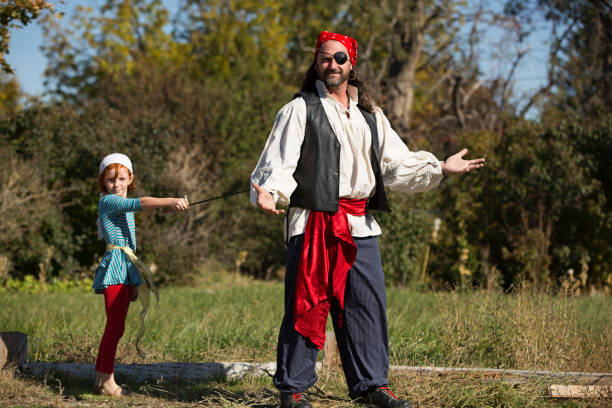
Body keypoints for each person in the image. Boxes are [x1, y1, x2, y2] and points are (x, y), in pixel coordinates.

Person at [250, 31, 485, 408]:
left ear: (351, 64)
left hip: (359, 224)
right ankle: (292, 389)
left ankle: (372, 386)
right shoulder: (299, 109)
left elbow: (395, 165)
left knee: (366, 305)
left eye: (339, 58)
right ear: (316, 63)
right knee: (306, 303)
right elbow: (278, 164)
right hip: (312, 223)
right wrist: (268, 192)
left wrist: (439, 167)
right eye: (325, 58)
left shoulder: (371, 116)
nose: (332, 65)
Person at [93, 153, 189, 396]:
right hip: (115, 266)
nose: (116, 184)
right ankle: (106, 382)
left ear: (130, 179)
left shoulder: (121, 203)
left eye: (121, 179)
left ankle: (102, 378)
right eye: (110, 179)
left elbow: (136, 215)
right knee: (114, 327)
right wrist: (170, 201)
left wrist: (134, 281)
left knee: (118, 327)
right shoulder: (108, 201)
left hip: (126, 267)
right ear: (103, 182)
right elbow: (141, 203)